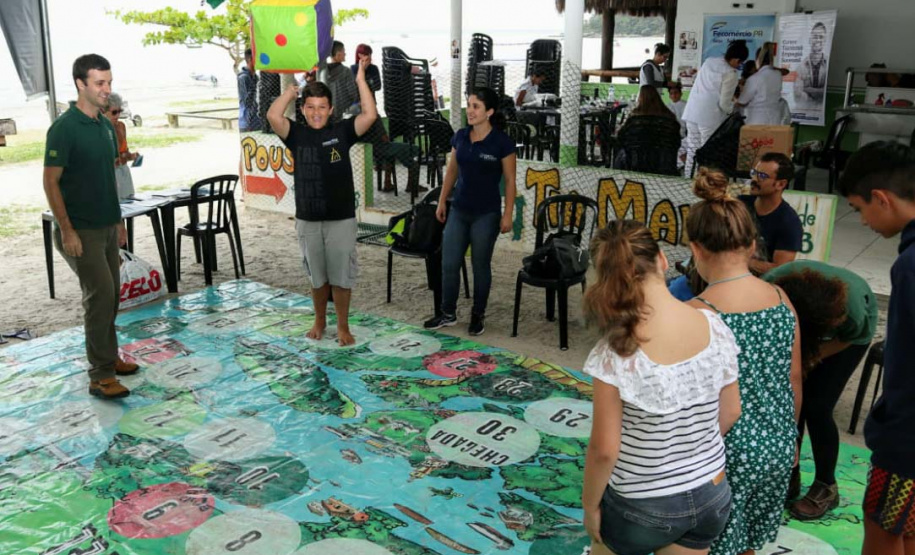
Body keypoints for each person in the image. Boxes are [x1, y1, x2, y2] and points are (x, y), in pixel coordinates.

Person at [581, 219, 742, 555]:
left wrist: (590, 506)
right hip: (712, 491)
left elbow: (604, 450)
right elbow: (731, 410)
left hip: (641, 504)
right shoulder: (714, 325)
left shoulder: (615, 353)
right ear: (663, 260)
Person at [684, 168, 802, 555]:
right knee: (747, 539)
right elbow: (794, 379)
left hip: (723, 455)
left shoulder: (696, 311)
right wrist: (791, 440)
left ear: (696, 249)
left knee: (714, 543)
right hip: (779, 446)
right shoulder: (782, 298)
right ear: (752, 246)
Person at [43, 54, 139, 399]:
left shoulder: (103, 125)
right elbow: (51, 182)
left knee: (112, 296)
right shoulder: (64, 128)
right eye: (100, 83)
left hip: (107, 227)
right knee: (99, 298)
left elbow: (107, 179)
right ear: (80, 84)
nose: (107, 90)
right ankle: (100, 375)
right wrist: (66, 230)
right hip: (78, 230)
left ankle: (109, 357)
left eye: (109, 82)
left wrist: (118, 222)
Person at [836, 141, 915, 555]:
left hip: (907, 440)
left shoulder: (911, 265)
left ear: (881, 199)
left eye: (859, 208)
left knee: (883, 530)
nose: (862, 220)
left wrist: (891, 437)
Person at [265, 57, 377, 346]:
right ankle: (319, 320)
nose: (316, 113)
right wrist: (292, 91)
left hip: (341, 218)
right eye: (310, 107)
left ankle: (342, 325)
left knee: (341, 278)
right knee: (317, 278)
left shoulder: (341, 132)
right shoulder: (296, 134)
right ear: (303, 110)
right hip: (308, 219)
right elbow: (273, 116)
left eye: (322, 107)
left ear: (331, 109)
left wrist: (361, 80)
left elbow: (370, 115)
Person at [762, 262, 877, 520]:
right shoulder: (769, 287)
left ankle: (826, 486)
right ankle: (789, 475)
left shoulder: (853, 311)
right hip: (804, 322)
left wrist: (811, 358)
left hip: (848, 337)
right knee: (791, 399)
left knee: (818, 406)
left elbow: (849, 338)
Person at [423, 87, 516, 335]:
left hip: (486, 213)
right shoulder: (461, 136)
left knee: (480, 264)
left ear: (489, 112)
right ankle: (447, 313)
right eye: (469, 104)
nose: (470, 110)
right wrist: (442, 201)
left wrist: (508, 214)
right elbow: (452, 170)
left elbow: (509, 181)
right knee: (449, 262)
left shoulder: (502, 143)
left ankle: (478, 314)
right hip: (459, 210)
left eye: (476, 106)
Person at [682, 40, 749, 175]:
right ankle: (703, 183)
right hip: (709, 118)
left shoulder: (709, 61)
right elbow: (724, 104)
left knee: (692, 150)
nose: (739, 65)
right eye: (740, 62)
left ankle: (688, 179)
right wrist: (733, 110)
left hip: (692, 112)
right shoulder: (730, 73)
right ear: (735, 59)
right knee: (708, 153)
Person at [739, 152, 803, 274]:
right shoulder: (741, 204)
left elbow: (781, 271)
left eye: (762, 176)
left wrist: (740, 261)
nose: (754, 179)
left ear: (781, 184)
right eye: (754, 173)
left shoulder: (789, 223)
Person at [736, 44, 786, 125]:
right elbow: (785, 71)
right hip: (775, 120)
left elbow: (742, 101)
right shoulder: (778, 74)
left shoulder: (754, 78)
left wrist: (734, 101)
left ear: (757, 59)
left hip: (757, 120)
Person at [105, 93, 139, 200]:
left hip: (124, 172)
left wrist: (132, 156)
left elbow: (125, 152)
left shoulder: (121, 126)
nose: (117, 115)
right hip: (111, 174)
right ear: (103, 111)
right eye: (114, 112)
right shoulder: (101, 129)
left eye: (119, 111)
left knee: (129, 204)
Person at [319, 41, 358, 124]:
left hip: (325, 112)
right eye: (344, 51)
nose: (345, 53)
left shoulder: (322, 72)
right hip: (342, 112)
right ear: (338, 53)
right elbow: (352, 94)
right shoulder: (346, 71)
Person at [794, 22, 828, 105]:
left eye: (821, 37)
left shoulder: (828, 65)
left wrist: (807, 89)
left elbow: (826, 92)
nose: (818, 40)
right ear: (810, 40)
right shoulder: (800, 67)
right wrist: (820, 91)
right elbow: (798, 94)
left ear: (825, 41)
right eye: (815, 37)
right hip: (805, 110)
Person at [237, 47, 261, 132]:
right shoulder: (243, 78)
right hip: (247, 122)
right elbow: (247, 101)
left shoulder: (255, 76)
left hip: (256, 121)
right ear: (251, 59)